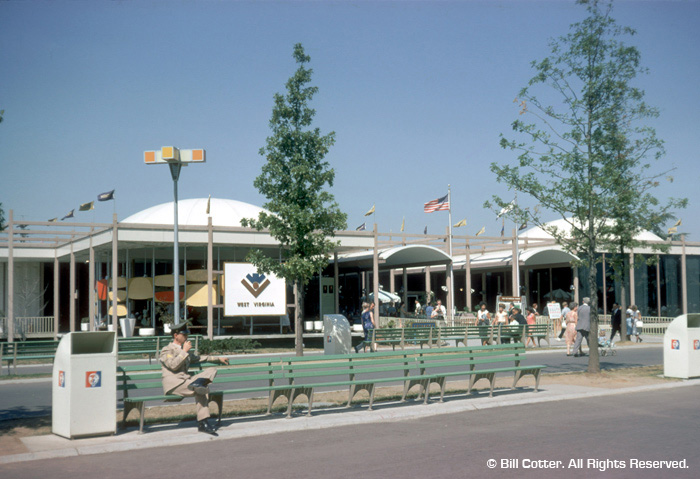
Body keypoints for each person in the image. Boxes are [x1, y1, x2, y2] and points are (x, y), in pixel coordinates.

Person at [160, 321, 229, 436]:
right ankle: (203, 423)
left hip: (186, 382)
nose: (187, 337)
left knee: (212, 371)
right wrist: (184, 351)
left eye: (187, 334)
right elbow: (172, 365)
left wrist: (218, 358)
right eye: (184, 334)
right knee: (201, 389)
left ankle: (198, 386)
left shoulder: (183, 350)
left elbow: (199, 358)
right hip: (174, 384)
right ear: (176, 335)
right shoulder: (167, 350)